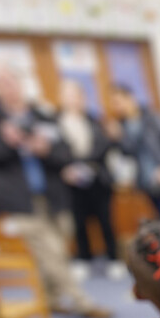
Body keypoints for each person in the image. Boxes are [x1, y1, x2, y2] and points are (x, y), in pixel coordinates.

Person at [0, 63, 112, 318]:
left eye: (11, 80)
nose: (8, 87)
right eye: (0, 82)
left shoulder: (42, 115)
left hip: (53, 195)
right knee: (49, 249)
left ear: (21, 82)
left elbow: (65, 153)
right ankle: (82, 301)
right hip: (17, 199)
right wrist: (4, 141)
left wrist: (46, 149)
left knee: (58, 249)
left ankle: (50, 299)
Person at [58, 79, 119, 271]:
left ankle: (113, 259)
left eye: (76, 96)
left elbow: (105, 146)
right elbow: (54, 152)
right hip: (71, 182)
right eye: (68, 96)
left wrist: (86, 163)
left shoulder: (95, 121)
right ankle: (84, 259)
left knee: (106, 221)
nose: (73, 100)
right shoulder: (56, 123)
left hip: (98, 179)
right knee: (79, 223)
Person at [106, 84, 160, 221]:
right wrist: (118, 138)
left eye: (119, 102)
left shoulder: (151, 118)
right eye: (114, 104)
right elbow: (128, 153)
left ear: (130, 99)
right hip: (147, 182)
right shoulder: (123, 126)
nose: (117, 107)